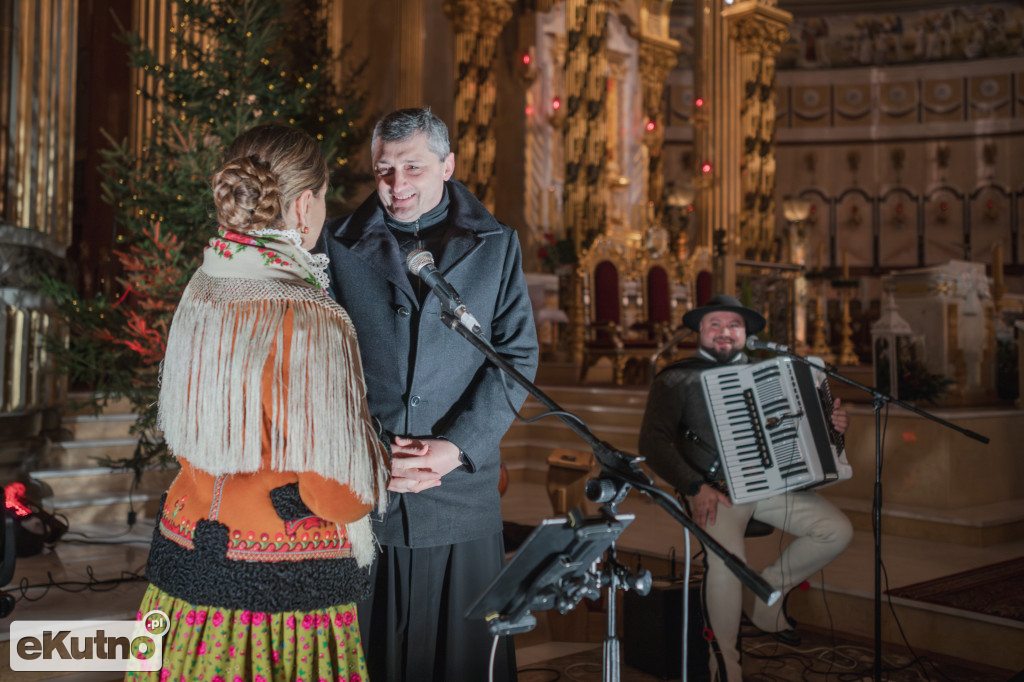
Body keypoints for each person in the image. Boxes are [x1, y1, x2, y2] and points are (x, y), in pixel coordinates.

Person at [128, 124, 389, 681]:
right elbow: (337, 494)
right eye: (323, 197)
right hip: (279, 584)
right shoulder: (311, 315)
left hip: (188, 551)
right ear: (302, 205)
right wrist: (381, 466)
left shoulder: (202, 286)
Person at [321, 107, 539, 682]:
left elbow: (517, 358)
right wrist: (369, 448)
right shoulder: (336, 244)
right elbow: (318, 365)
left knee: (462, 661)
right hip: (369, 489)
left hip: (459, 494)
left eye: (412, 168)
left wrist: (456, 447)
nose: (396, 186)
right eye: (384, 171)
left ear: (447, 165)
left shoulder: (496, 244)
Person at [638, 294, 853, 682]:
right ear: (700, 331)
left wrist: (834, 427)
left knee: (836, 530)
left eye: (733, 325)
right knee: (727, 563)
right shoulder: (676, 377)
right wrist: (694, 486)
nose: (724, 332)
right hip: (714, 491)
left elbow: (805, 430)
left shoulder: (771, 373)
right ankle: (725, 668)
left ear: (746, 333)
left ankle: (767, 594)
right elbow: (652, 444)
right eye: (714, 324)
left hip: (771, 487)